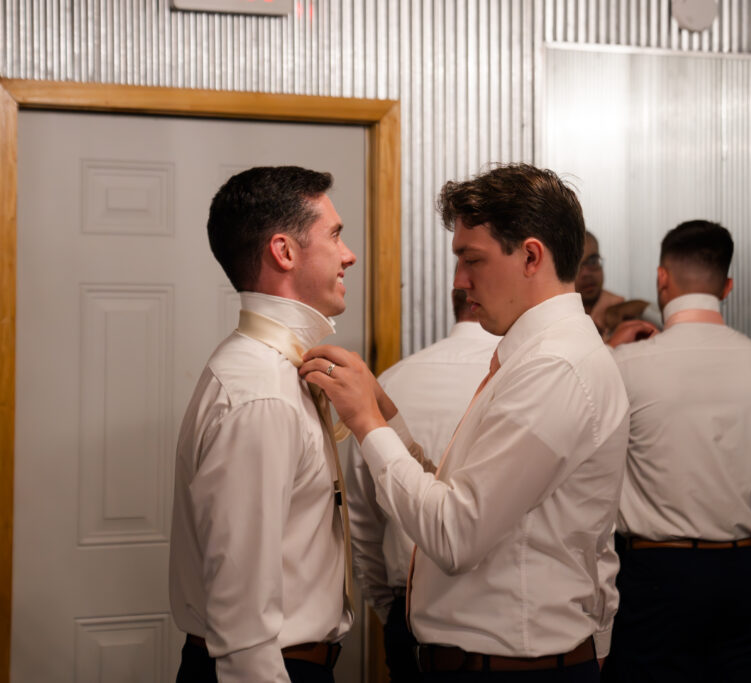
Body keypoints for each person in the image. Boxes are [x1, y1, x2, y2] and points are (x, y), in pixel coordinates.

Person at [302, 163, 629, 682]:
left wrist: (366, 424)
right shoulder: (533, 356)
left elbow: (456, 536)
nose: (458, 282)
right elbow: (462, 496)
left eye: (470, 259)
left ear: (530, 256)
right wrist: (389, 418)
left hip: (511, 670)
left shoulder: (555, 368)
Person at [170, 166, 357, 683]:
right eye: (336, 235)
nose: (349, 254)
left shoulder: (271, 371)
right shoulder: (261, 393)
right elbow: (241, 620)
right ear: (284, 251)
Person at [603, 220, 751, 682]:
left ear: (661, 279)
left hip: (657, 576)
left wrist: (607, 353)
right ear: (727, 286)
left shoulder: (623, 367)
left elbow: (588, 456)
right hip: (745, 572)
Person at [346, 288, 499, 682]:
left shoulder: (391, 380)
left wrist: (391, 609)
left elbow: (361, 521)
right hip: (505, 625)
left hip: (410, 622)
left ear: (454, 298)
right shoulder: (524, 383)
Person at [576, 231, 625, 336]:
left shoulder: (619, 309)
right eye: (576, 266)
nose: (586, 273)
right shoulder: (558, 320)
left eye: (592, 262)